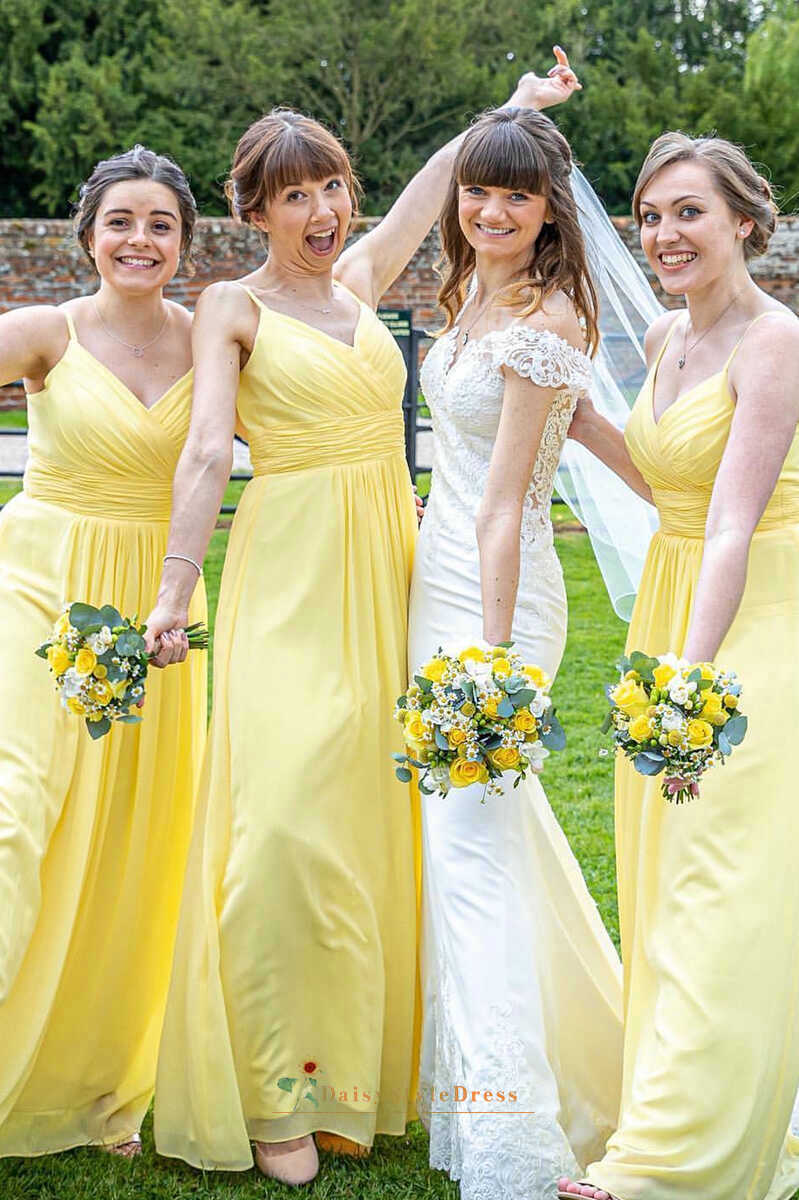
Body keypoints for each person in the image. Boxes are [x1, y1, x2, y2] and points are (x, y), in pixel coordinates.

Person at [143, 55, 579, 1187]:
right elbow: (205, 451)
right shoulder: (231, 305)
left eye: (332, 186)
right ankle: (270, 1093)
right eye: (295, 195)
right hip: (290, 573)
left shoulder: (363, 281)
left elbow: (440, 190)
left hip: (394, 565)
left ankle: (356, 1081)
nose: (325, 212)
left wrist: (512, 113)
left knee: (363, 831)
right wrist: (177, 588)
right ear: (254, 211)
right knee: (279, 826)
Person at [557, 132, 799, 1200]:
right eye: (650, 216)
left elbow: (735, 526)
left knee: (719, 889)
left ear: (744, 220)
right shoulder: (662, 339)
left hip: (749, 622)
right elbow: (671, 491)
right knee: (661, 886)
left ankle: (666, 1168)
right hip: (674, 601)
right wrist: (580, 421)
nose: (662, 235)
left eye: (687, 213)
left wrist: (685, 690)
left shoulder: (775, 342)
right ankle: (694, 1115)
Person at [407, 104, 626, 1200]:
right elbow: (563, 436)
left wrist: (490, 665)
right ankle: (511, 1096)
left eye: (516, 196)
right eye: (476, 191)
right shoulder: (466, 300)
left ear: (549, 216)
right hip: (431, 588)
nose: (489, 210)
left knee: (473, 855)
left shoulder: (549, 317)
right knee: (485, 852)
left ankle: (519, 1141)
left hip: (496, 606)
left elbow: (504, 508)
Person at [0, 146, 206, 1158]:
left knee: (132, 842)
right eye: (121, 221)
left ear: (184, 242)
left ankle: (90, 1089)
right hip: (41, 588)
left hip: (158, 610)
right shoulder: (46, 331)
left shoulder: (213, 342)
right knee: (16, 811)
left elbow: (299, 439)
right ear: (87, 235)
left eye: (161, 224)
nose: (140, 240)